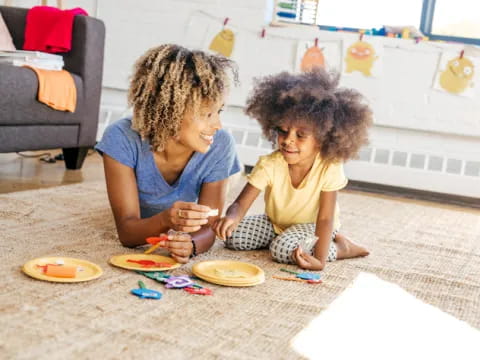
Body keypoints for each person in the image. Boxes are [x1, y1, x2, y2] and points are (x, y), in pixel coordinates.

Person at [95, 44, 241, 263]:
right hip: (154, 211)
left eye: (218, 112)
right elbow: (127, 232)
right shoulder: (120, 138)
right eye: (206, 114)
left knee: (231, 178)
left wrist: (191, 244)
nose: (217, 124)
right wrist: (166, 219)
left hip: (221, 169)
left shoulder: (220, 145)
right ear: (170, 112)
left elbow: (209, 227)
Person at [213, 69, 371, 271]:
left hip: (314, 227)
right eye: (283, 131)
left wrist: (320, 260)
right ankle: (285, 239)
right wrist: (232, 217)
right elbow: (240, 204)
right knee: (231, 237)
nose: (288, 140)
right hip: (275, 224)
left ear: (322, 139)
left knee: (281, 251)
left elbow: (325, 218)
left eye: (301, 135)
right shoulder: (270, 164)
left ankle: (342, 248)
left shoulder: (329, 166)